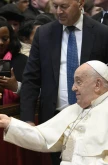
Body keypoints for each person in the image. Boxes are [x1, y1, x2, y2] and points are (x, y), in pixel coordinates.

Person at [20, 0, 108, 164]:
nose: (58, 11)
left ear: (80, 3)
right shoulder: (44, 34)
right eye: (55, 6)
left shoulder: (102, 33)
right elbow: (31, 79)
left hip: (92, 118)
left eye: (64, 6)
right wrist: (28, 119)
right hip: (55, 118)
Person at [0, 60, 108, 165]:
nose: (73, 88)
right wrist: (9, 123)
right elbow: (43, 138)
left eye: (79, 82)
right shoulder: (74, 109)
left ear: (97, 84)